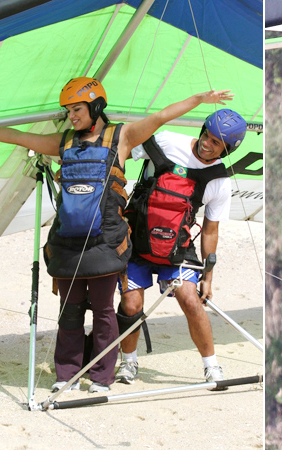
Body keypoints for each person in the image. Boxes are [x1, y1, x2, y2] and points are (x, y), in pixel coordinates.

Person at [0, 77, 234, 394]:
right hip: (83, 243)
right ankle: (89, 370)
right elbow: (19, 137)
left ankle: (122, 374)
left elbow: (161, 116)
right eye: (68, 110)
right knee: (89, 308)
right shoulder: (68, 142)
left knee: (124, 309)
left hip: (124, 245)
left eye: (77, 109)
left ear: (95, 107)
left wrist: (200, 98)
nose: (71, 115)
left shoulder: (123, 137)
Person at [114, 108, 247, 389]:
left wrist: (208, 275)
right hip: (137, 239)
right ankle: (128, 362)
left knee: (190, 300)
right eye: (206, 136)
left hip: (177, 249)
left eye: (215, 143)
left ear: (226, 150)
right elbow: (122, 150)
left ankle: (211, 366)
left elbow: (210, 230)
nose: (206, 144)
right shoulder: (166, 142)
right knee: (131, 303)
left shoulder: (219, 181)